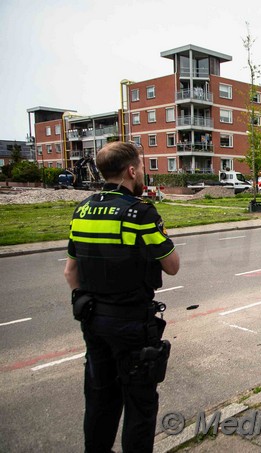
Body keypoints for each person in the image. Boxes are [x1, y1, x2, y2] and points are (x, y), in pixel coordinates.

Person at [64, 141, 180, 452]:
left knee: (100, 398)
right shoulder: (140, 213)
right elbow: (172, 267)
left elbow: (70, 272)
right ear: (131, 170)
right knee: (139, 403)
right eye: (141, 167)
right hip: (131, 325)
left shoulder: (83, 209)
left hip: (93, 321)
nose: (142, 173)